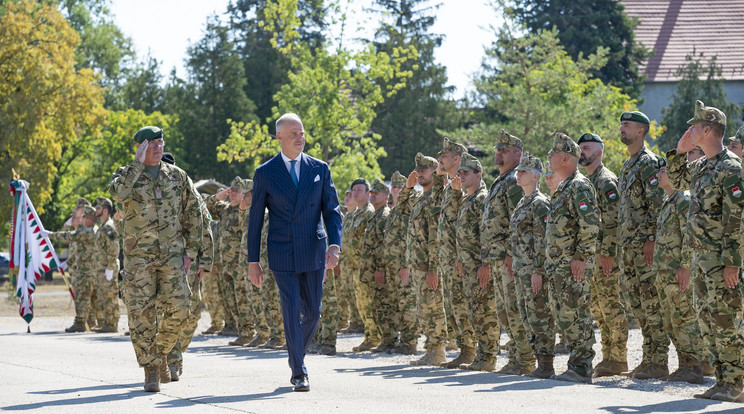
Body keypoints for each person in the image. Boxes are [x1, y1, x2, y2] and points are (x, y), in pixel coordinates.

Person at [246, 113, 342, 393]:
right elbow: (255, 221)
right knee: (291, 310)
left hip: (313, 248)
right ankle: (299, 371)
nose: (300, 138)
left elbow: (332, 210)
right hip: (282, 251)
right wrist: (254, 261)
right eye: (294, 134)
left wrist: (335, 244)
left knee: (313, 312)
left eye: (302, 133)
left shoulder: (319, 168)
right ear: (279, 137)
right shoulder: (265, 172)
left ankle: (296, 355)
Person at [108, 125, 203, 392]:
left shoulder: (177, 176)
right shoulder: (127, 176)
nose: (159, 148)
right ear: (140, 147)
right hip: (139, 259)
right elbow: (118, 195)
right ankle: (150, 368)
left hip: (172, 255)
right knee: (141, 314)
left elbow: (192, 214)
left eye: (161, 143)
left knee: (182, 307)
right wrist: (136, 165)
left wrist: (190, 252)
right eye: (152, 144)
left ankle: (160, 352)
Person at [667, 101, 744, 402]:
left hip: (721, 260)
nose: (690, 130)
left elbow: (737, 218)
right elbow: (675, 180)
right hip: (700, 259)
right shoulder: (702, 167)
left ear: (708, 129)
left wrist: (733, 263)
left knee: (726, 321)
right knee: (707, 322)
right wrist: (679, 149)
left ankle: (736, 383)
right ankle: (723, 380)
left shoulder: (731, 167)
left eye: (694, 126)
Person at [618, 111, 670, 379]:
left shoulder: (648, 163)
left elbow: (658, 204)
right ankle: (650, 358)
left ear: (641, 131)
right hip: (629, 248)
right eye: (621, 125)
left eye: (627, 125)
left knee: (651, 303)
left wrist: (651, 239)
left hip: (644, 247)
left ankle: (659, 360)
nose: (622, 129)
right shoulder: (628, 164)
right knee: (637, 304)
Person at [545, 132, 599, 383]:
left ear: (565, 158)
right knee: (565, 315)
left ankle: (582, 367)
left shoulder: (579, 185)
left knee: (577, 313)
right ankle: (575, 364)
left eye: (553, 154)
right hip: (559, 265)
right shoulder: (563, 187)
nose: (549, 158)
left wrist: (581, 256)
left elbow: (589, 224)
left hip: (572, 264)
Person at [480, 130, 533, 375]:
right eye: (497, 149)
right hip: (497, 258)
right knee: (504, 311)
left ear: (518, 155)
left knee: (513, 309)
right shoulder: (501, 180)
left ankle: (524, 359)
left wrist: (511, 255)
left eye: (504, 150)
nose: (498, 153)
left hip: (509, 258)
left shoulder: (513, 181)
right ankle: (516, 357)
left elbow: (518, 220)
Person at [577, 133, 629, 376]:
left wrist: (607, 253)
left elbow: (612, 220)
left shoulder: (606, 180)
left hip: (605, 255)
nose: (581, 152)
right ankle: (608, 357)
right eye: (580, 148)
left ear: (599, 152)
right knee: (598, 307)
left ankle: (618, 358)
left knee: (610, 304)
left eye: (586, 148)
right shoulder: (588, 180)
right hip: (593, 256)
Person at [652, 158, 705, 384]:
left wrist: (685, 266)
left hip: (677, 272)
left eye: (664, 171)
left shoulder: (683, 199)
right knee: (671, 321)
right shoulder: (669, 200)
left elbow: (690, 236)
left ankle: (694, 366)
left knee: (684, 319)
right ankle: (685, 364)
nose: (659, 174)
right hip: (665, 272)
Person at [399, 153, 447, 366]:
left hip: (429, 265)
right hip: (418, 265)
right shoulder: (420, 198)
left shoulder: (438, 196)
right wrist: (408, 188)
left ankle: (437, 351)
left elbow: (435, 237)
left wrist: (433, 268)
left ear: (435, 173)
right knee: (424, 307)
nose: (419, 175)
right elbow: (400, 209)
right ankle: (431, 348)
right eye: (417, 172)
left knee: (433, 306)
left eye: (423, 171)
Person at [509, 152, 555, 378]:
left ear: (536, 176)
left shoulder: (540, 204)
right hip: (521, 270)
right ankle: (536, 360)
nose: (518, 175)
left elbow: (543, 240)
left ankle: (546, 364)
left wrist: (538, 271)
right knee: (527, 315)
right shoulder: (522, 202)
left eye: (523, 171)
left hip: (534, 271)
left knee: (540, 315)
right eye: (518, 171)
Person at [452, 153, 499, 371]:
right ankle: (481, 354)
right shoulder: (467, 199)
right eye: (459, 173)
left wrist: (485, 264)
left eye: (465, 173)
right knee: (474, 310)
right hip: (469, 265)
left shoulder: (481, 199)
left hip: (480, 265)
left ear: (478, 175)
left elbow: (487, 233)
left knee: (485, 310)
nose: (461, 176)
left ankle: (489, 357)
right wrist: (462, 259)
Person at [437, 138, 475, 368]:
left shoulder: (464, 185)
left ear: (457, 159)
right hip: (448, 258)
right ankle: (464, 349)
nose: (440, 159)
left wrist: (462, 257)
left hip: (463, 258)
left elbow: (466, 227)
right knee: (454, 306)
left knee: (464, 305)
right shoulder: (449, 184)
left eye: (445, 155)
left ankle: (471, 350)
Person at [46, 205, 99, 333]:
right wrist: (67, 263)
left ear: (90, 218)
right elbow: (78, 252)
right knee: (91, 299)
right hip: (91, 271)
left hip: (86, 272)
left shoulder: (87, 231)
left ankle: (80, 324)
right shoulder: (94, 230)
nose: (82, 219)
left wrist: (49, 234)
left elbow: (68, 236)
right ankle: (91, 323)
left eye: (85, 217)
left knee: (82, 298)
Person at [383, 171, 418, 355]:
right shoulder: (393, 211)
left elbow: (410, 235)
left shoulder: (409, 206)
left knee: (407, 303)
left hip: (404, 264)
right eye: (394, 186)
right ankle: (401, 340)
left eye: (399, 186)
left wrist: (406, 264)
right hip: (391, 264)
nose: (396, 189)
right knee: (396, 303)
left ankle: (410, 342)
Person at [362, 179, 394, 353]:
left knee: (383, 305)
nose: (372, 195)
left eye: (376, 193)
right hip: (372, 270)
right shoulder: (376, 215)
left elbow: (384, 245)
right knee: (376, 305)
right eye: (371, 192)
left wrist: (380, 268)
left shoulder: (384, 216)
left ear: (386, 197)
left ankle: (389, 340)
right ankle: (384, 339)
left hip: (380, 270)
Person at [348, 178, 379, 352]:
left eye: (360, 189)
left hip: (366, 266)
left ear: (368, 193)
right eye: (354, 189)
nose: (355, 192)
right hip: (355, 266)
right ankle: (369, 336)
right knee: (361, 303)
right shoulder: (355, 214)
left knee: (369, 302)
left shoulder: (369, 212)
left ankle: (375, 337)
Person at [92, 197, 121, 333]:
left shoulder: (109, 227)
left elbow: (114, 248)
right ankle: (106, 323)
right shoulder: (102, 227)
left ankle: (112, 324)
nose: (96, 210)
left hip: (107, 268)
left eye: (98, 208)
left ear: (105, 210)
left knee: (110, 296)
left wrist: (110, 267)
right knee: (103, 296)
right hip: (101, 268)